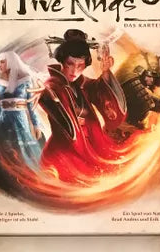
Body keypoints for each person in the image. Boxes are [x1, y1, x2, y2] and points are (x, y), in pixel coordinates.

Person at [39, 29, 127, 181]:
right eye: (70, 64)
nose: (75, 70)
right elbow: (50, 96)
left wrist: (106, 72)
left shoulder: (83, 83)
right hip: (66, 148)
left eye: (80, 65)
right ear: (62, 61)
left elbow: (100, 93)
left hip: (90, 143)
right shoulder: (53, 85)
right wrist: (44, 93)